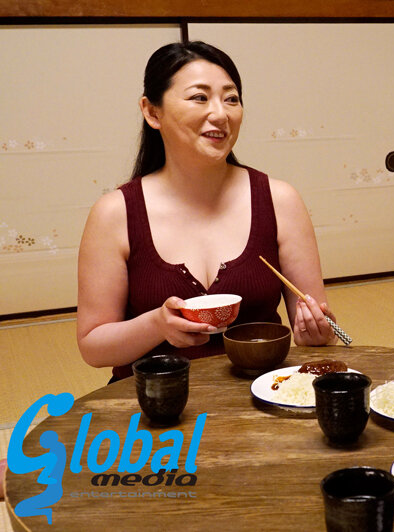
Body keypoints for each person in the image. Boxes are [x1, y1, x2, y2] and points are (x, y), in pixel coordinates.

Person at [77, 41, 338, 381]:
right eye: (199, 97)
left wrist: (318, 334)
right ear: (152, 112)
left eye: (231, 99)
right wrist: (157, 325)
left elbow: (317, 323)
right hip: (153, 401)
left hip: (257, 395)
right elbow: (93, 347)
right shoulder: (115, 213)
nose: (220, 114)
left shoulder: (280, 201)